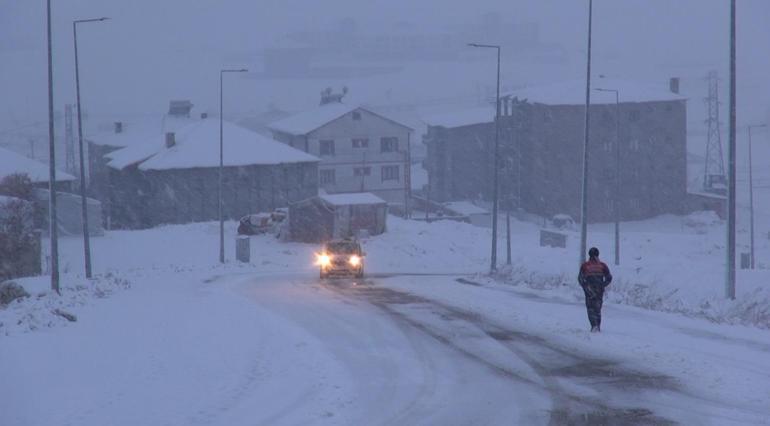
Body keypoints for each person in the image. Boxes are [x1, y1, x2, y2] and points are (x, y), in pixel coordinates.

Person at [578, 247, 612, 332]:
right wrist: (603, 285)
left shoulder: (585, 265)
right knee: (598, 309)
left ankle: (594, 325)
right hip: (599, 291)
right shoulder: (602, 265)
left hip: (589, 291)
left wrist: (585, 287)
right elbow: (609, 277)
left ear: (589, 255)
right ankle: (597, 326)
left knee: (590, 309)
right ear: (598, 254)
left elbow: (580, 279)